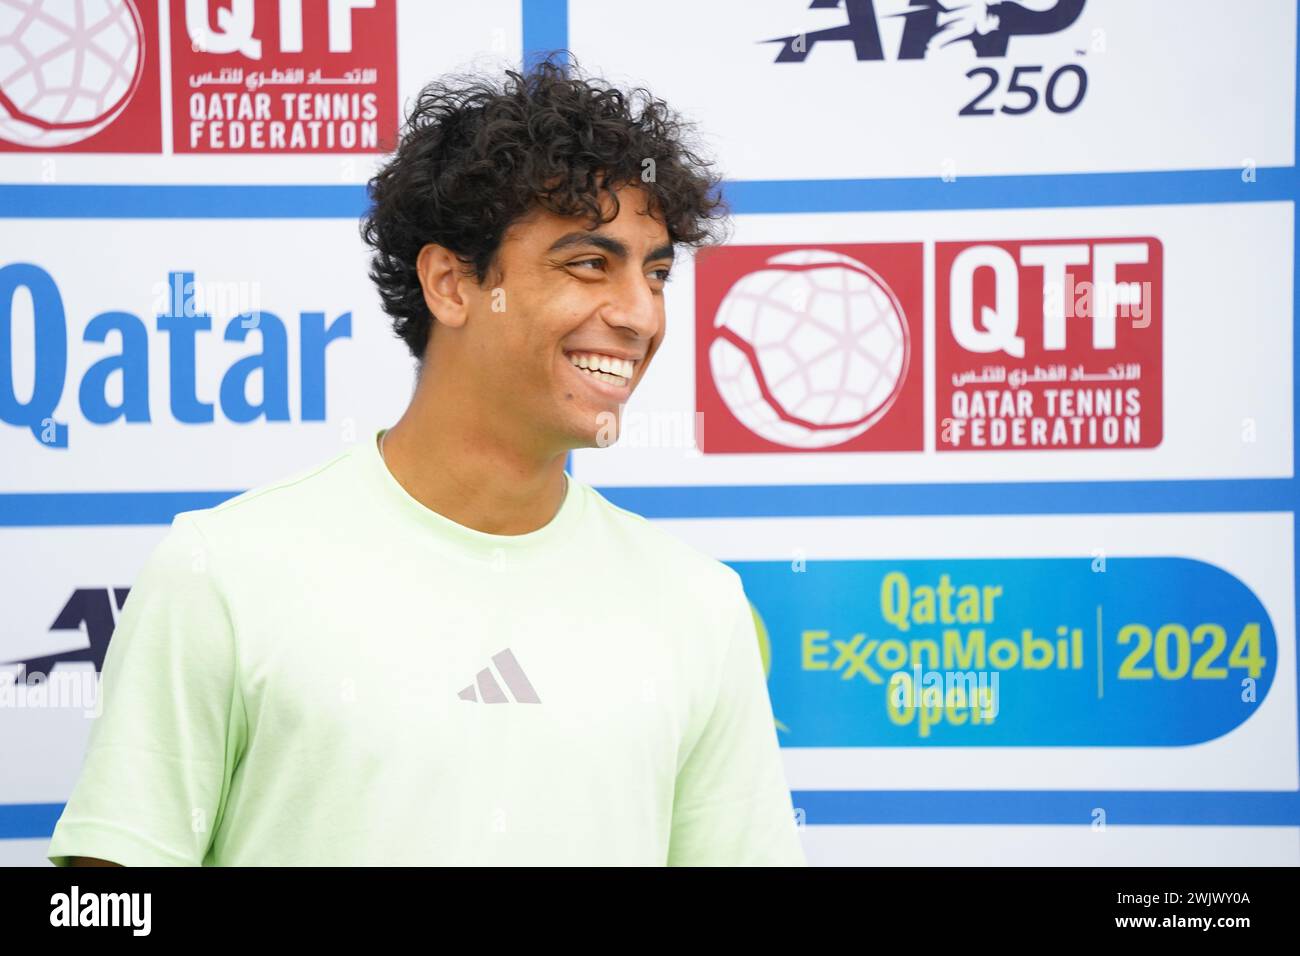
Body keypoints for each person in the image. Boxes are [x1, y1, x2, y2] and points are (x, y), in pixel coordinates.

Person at [46, 56, 806, 866]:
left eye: (656, 274)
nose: (639, 314)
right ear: (451, 283)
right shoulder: (222, 573)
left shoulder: (699, 604)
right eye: (590, 264)